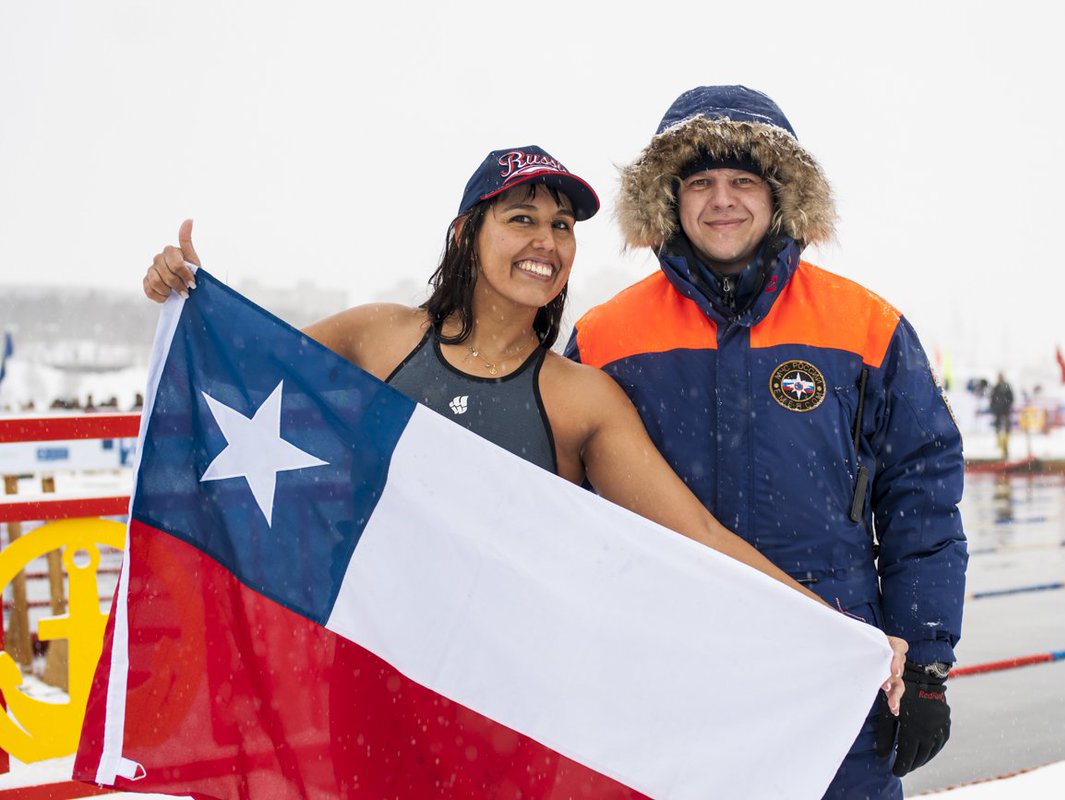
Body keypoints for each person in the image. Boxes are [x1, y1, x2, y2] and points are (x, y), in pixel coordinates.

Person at [143, 144, 906, 796]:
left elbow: (695, 532)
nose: (546, 240)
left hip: (503, 708)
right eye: (521, 218)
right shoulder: (377, 340)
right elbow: (233, 383)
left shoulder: (578, 399)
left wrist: (836, 628)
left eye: (562, 225)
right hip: (373, 683)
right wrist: (183, 293)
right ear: (466, 232)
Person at [566, 86, 967, 798]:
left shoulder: (864, 326)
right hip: (664, 671)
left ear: (780, 194)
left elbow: (922, 497)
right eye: (701, 182)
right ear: (670, 197)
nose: (722, 200)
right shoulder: (604, 337)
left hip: (831, 665)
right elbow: (563, 502)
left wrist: (928, 667)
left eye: (743, 181)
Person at [989, 372, 1015, 459]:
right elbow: (992, 400)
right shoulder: (996, 388)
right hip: (998, 413)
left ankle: (1005, 447)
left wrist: (1005, 407)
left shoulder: (1006, 387)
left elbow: (1011, 399)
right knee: (999, 429)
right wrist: (995, 408)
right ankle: (1001, 447)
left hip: (1005, 412)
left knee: (1006, 430)